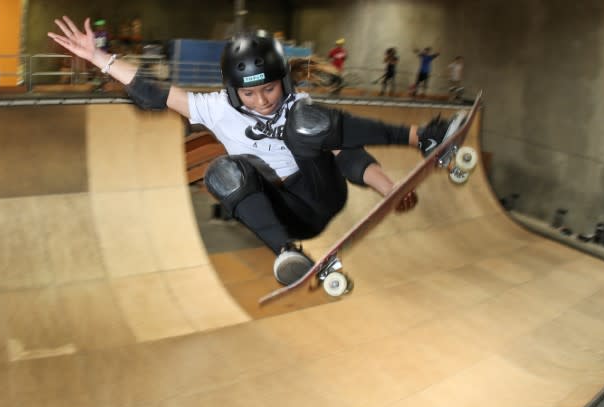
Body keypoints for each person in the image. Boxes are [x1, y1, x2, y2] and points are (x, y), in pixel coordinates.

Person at [48, 17, 461, 286]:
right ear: (233, 90)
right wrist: (100, 58)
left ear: (284, 80)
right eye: (250, 93)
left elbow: (346, 154)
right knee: (221, 171)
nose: (263, 100)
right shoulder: (213, 108)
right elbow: (155, 93)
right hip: (286, 215)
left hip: (322, 191)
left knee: (307, 125)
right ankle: (286, 255)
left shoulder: (297, 106)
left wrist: (388, 188)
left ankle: (421, 137)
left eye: (270, 88)